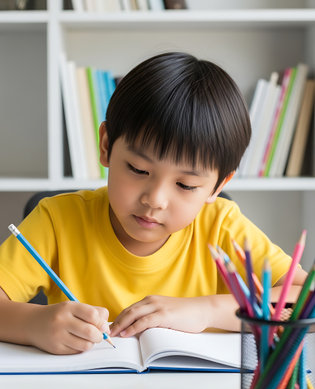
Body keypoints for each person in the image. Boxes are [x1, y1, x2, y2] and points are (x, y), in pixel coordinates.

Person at [0, 52, 307, 355]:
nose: (155, 200)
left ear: (218, 185)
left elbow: (309, 302)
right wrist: (33, 323)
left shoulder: (221, 226)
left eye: (185, 185)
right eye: (138, 170)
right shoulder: (57, 220)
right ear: (106, 146)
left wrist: (208, 310)